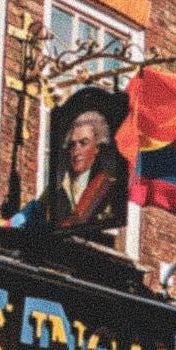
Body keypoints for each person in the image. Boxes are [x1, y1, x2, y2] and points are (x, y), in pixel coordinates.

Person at [11, 90, 129, 242]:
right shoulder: (55, 190)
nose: (76, 151)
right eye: (72, 144)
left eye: (84, 143)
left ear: (97, 148)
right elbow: (34, 212)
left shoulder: (106, 186)